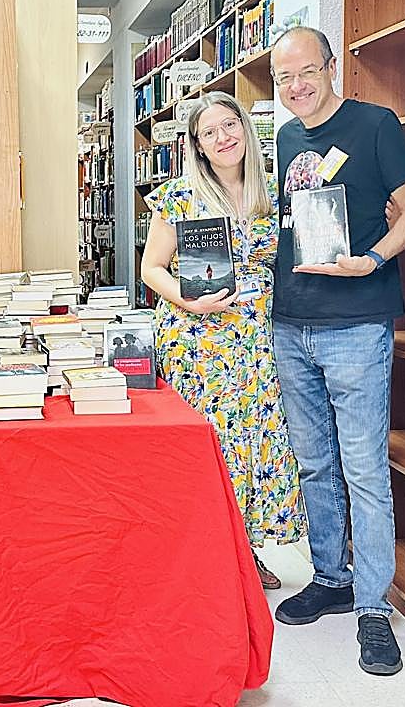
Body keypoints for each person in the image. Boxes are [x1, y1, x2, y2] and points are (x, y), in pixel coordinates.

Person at [268, 26, 405, 677]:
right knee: (314, 464)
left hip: (357, 323)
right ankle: (331, 578)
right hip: (291, 323)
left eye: (307, 71)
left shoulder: (375, 125)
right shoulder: (283, 139)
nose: (296, 86)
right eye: (284, 78)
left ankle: (372, 608)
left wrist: (370, 260)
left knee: (363, 469)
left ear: (332, 67)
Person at [141, 91, 306, 590]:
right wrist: (188, 301)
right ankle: (202, 554)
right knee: (209, 446)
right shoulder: (179, 196)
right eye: (210, 132)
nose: (223, 137)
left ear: (245, 130)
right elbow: (152, 269)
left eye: (230, 125)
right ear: (197, 144)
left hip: (254, 340)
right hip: (197, 342)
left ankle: (245, 553)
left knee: (253, 443)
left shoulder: (274, 195)